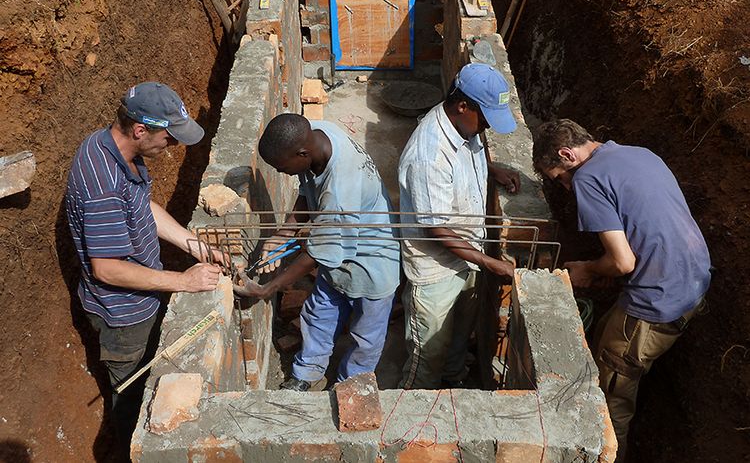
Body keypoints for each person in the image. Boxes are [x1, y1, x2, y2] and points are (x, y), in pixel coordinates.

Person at [531, 118, 711, 459]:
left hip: (658, 299)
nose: (566, 187)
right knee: (604, 335)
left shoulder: (586, 178)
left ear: (567, 155)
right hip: (694, 282)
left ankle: (610, 455)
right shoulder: (637, 154)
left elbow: (623, 262)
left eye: (559, 179)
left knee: (610, 395)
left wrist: (588, 269)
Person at [65, 82, 224, 454]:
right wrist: (182, 282)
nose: (171, 148)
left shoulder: (117, 151)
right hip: (124, 317)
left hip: (142, 301)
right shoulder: (101, 184)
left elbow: (141, 207)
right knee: (134, 401)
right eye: (168, 138)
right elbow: (107, 269)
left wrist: (193, 244)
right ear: (140, 130)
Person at [233, 113, 400, 391]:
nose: (279, 172)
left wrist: (267, 289)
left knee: (366, 336)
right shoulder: (319, 133)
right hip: (339, 251)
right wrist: (282, 233)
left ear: (302, 153)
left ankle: (350, 386)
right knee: (318, 313)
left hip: (373, 266)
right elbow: (308, 189)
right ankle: (307, 372)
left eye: (281, 167)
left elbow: (314, 254)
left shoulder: (340, 192)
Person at [397, 63, 520, 389]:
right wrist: (490, 262)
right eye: (485, 119)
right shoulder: (429, 155)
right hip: (436, 271)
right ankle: (413, 414)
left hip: (467, 258)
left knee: (457, 342)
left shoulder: (465, 128)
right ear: (462, 105)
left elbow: (465, 160)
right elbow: (434, 228)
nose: (486, 129)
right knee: (428, 355)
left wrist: (492, 169)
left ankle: (452, 385)